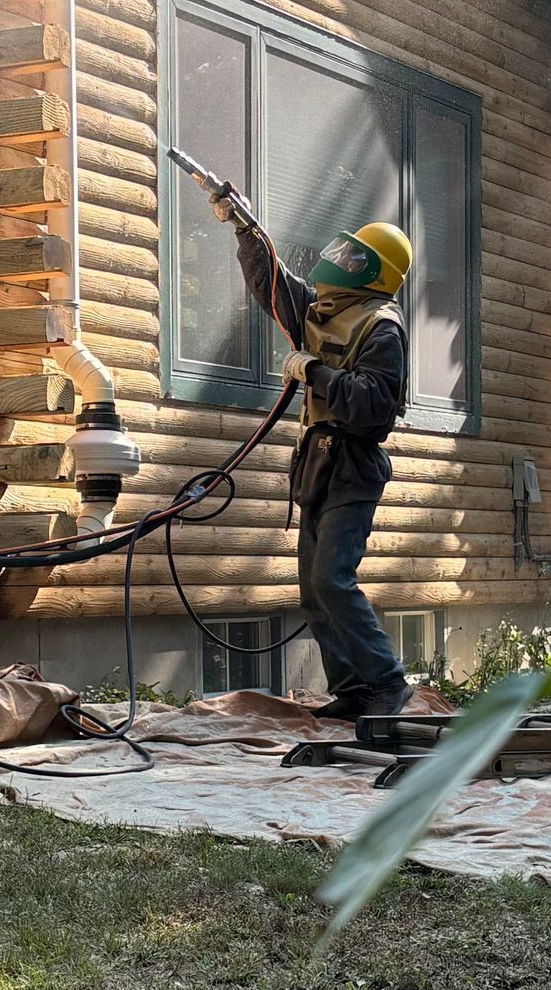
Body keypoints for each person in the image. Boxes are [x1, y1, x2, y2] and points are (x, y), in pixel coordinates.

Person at [211, 190, 415, 718]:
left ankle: (388, 684)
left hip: (353, 464)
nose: (340, 262)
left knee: (333, 579)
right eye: (343, 253)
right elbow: (273, 285)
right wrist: (241, 225)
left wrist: (313, 371)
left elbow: (371, 405)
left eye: (353, 259)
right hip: (317, 462)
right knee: (312, 589)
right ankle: (351, 692)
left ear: (374, 272)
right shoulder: (325, 310)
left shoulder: (380, 327)